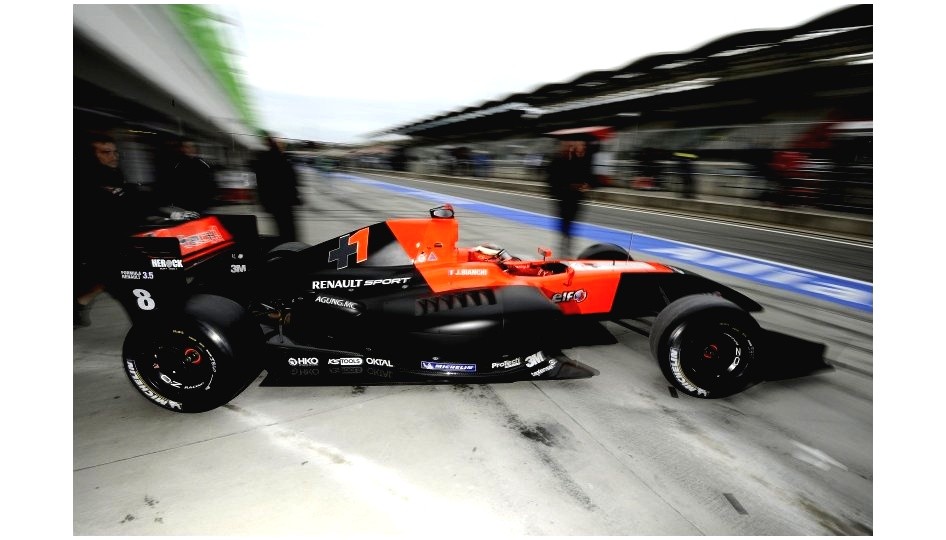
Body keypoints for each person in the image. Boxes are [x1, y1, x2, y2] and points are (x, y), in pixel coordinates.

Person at [73, 132, 154, 327]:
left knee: (107, 282)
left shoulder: (114, 176)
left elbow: (126, 206)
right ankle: (147, 329)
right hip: (97, 245)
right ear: (92, 155)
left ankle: (76, 306)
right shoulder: (82, 181)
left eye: (115, 152)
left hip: (117, 243)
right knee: (125, 285)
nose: (113, 156)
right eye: (105, 152)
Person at [546, 139, 596, 257]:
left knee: (571, 225)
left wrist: (587, 185)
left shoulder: (582, 160)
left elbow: (588, 177)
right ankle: (565, 247)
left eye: (583, 145)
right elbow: (554, 179)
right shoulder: (559, 159)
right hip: (563, 198)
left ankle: (566, 245)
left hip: (577, 198)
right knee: (565, 224)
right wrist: (569, 186)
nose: (581, 147)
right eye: (579, 145)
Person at [251, 134, 301, 243]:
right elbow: (290, 179)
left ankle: (286, 246)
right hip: (283, 201)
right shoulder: (279, 159)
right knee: (288, 230)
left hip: (274, 202)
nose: (283, 145)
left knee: (282, 229)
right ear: (275, 144)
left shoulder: (264, 159)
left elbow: (260, 183)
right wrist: (295, 196)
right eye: (281, 143)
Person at [155, 139, 217, 214]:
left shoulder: (204, 165)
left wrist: (207, 201)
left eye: (192, 147)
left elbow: (211, 185)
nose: (189, 149)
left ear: (196, 149)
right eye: (186, 147)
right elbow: (172, 185)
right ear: (183, 149)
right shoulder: (177, 165)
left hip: (201, 206)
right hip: (183, 206)